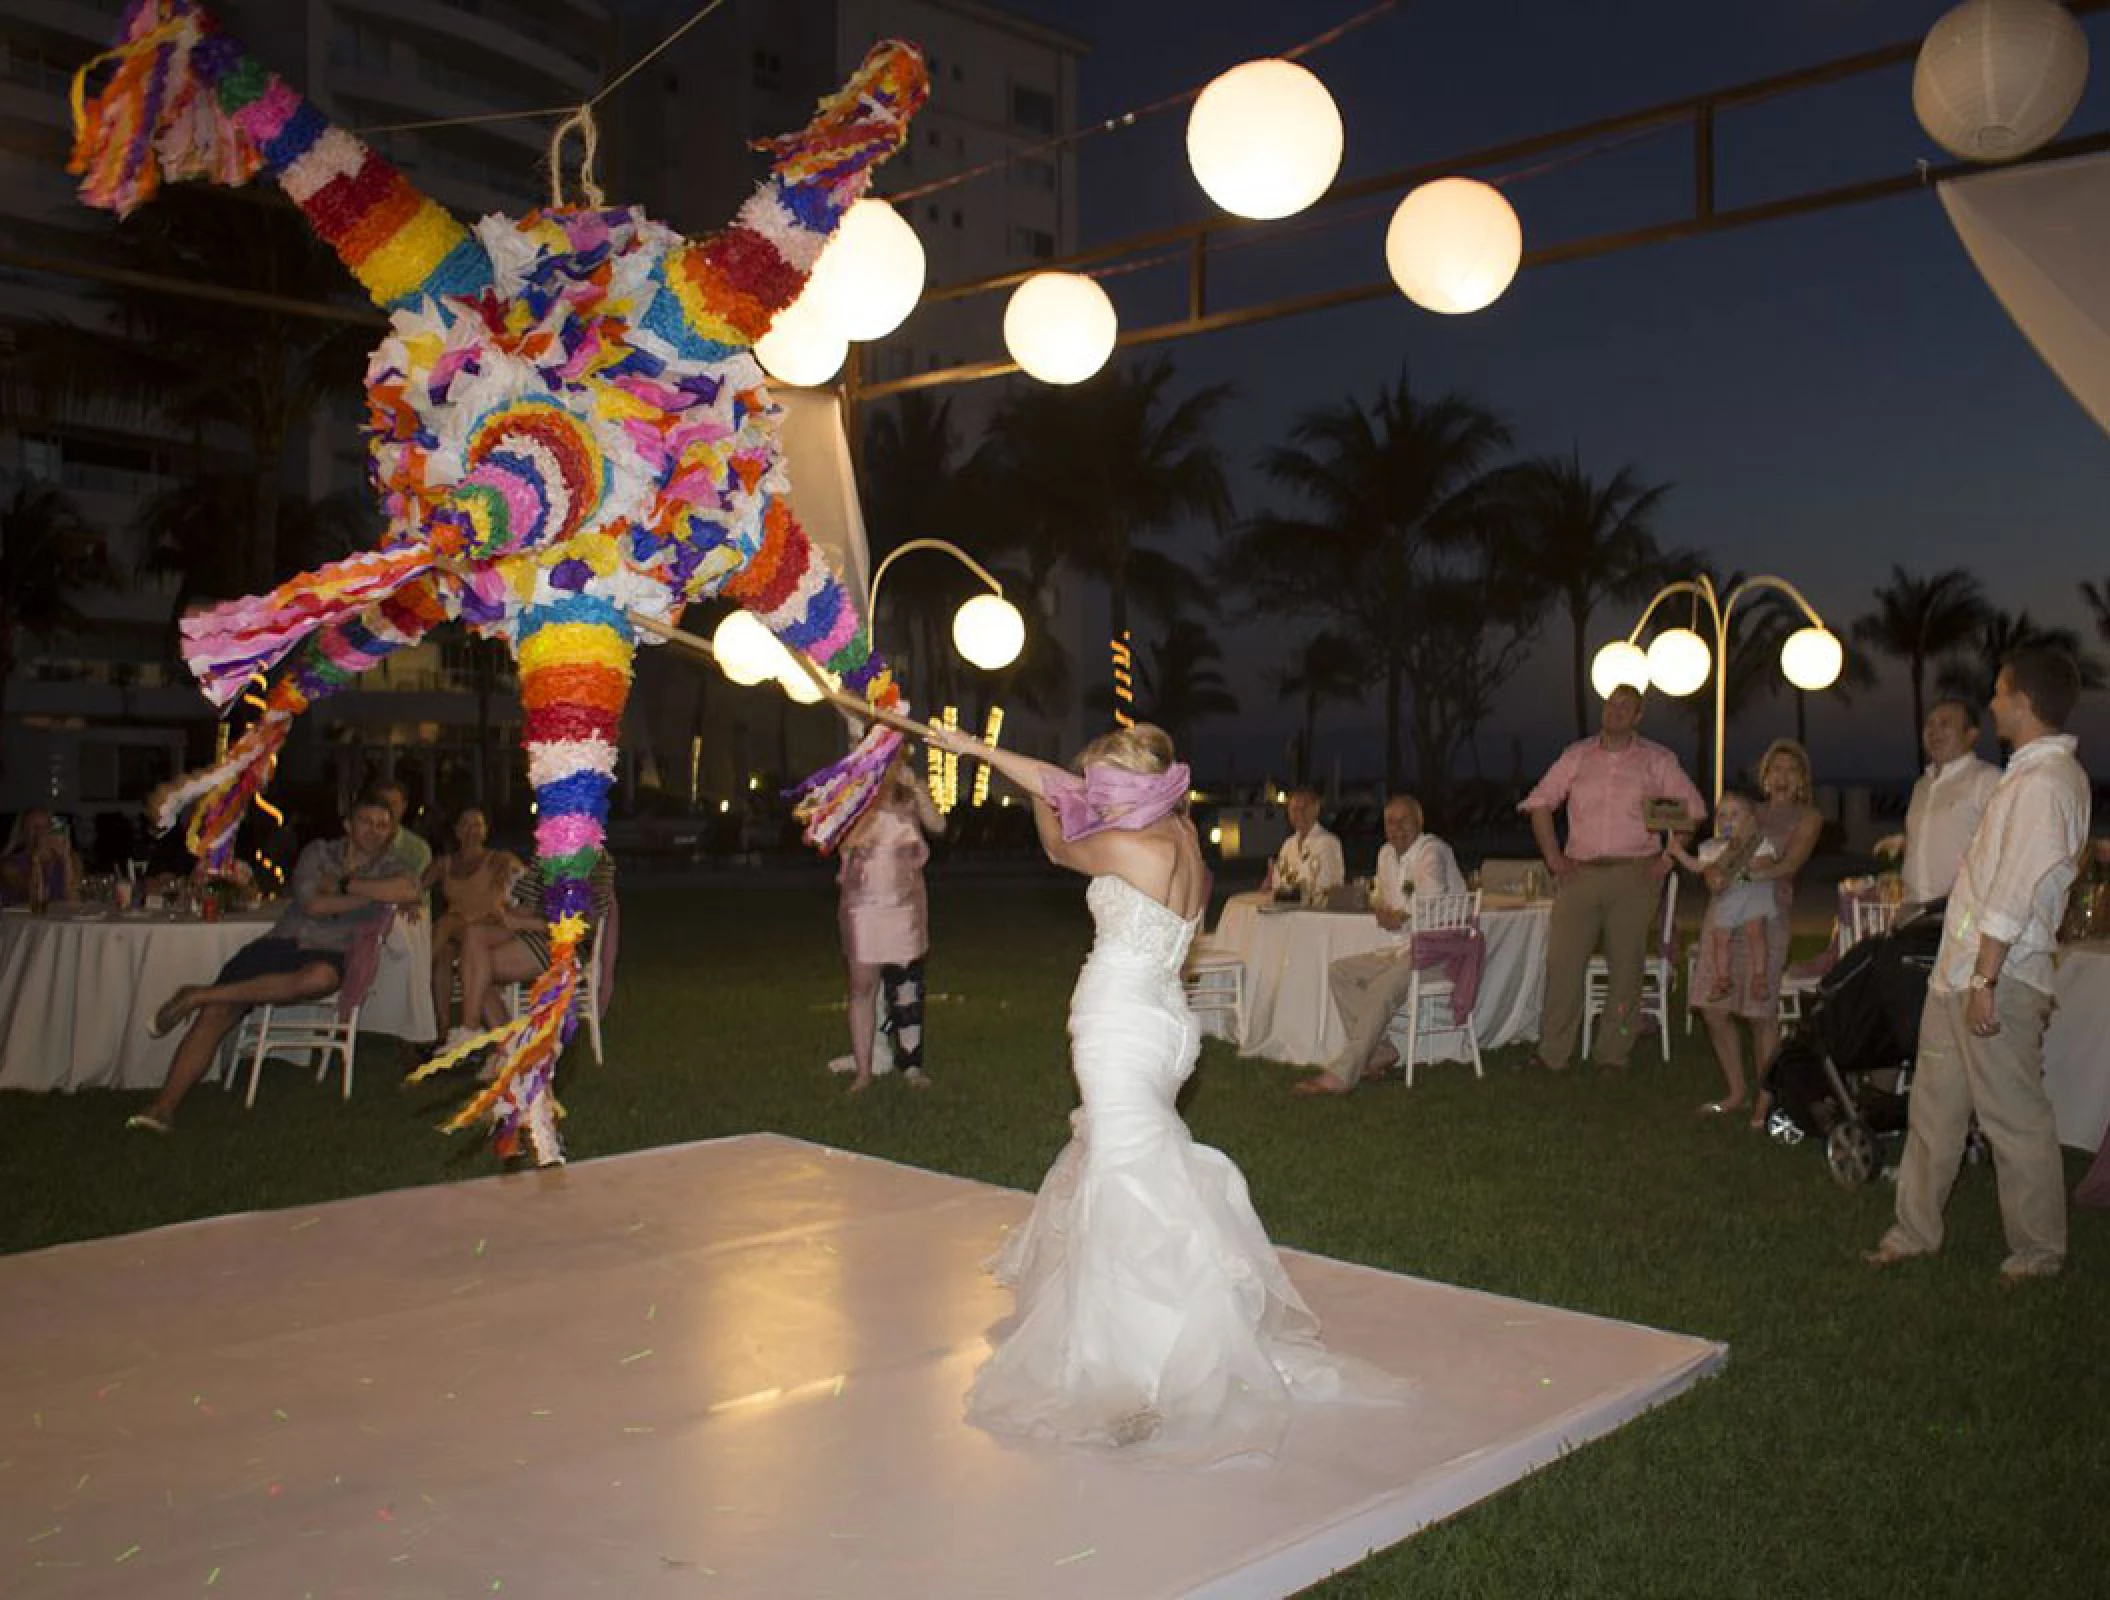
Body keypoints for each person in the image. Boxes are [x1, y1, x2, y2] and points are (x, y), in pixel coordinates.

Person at [926, 718, 1408, 1460]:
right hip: (1170, 1028)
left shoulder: (1133, 845)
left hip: (1121, 1023)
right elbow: (1064, 790)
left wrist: (1008, 773)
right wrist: (980, 753)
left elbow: (1057, 841)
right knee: (1139, 1169)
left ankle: (1136, 1371)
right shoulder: (1180, 835)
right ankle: (1156, 1341)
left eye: (1101, 786)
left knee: (1125, 1185)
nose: (1092, 796)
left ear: (1125, 786)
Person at [1869, 650, 2090, 1283]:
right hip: (1958, 976)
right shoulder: (2026, 777)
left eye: (1999, 693)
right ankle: (1914, 1229)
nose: (1992, 703)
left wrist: (1986, 981)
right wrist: (1960, 975)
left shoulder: (2045, 783)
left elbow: (2016, 890)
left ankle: (2038, 1251)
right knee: (1934, 1108)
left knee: (2012, 1120)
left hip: (1999, 980)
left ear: (2024, 702)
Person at [125, 793, 425, 1133]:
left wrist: (343, 885)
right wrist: (370, 895)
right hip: (282, 941)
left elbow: (408, 890)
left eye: (383, 826)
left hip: (331, 951)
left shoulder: (393, 864)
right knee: (219, 1014)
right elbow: (311, 904)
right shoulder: (318, 852)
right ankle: (164, 1106)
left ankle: (198, 994)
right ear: (348, 825)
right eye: (366, 823)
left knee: (321, 979)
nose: (374, 831)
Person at [1520, 685, 1704, 1072]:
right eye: (1612, 703)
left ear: (1638, 716)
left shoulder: (1656, 760)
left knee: (1626, 968)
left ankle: (1613, 1053)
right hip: (1579, 874)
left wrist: (1668, 859)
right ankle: (1553, 1053)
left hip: (1635, 874)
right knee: (1563, 964)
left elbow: (1694, 810)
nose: (1616, 710)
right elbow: (1539, 803)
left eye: (1626, 706)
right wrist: (1553, 858)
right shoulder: (1577, 756)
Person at [1294, 794, 1467, 1095]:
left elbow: (1432, 900)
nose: (1397, 828)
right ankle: (1380, 1052)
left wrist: (1401, 917)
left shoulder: (1432, 852)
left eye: (1404, 821)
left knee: (1381, 987)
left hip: (1441, 951)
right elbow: (1381, 894)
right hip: (1404, 948)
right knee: (1341, 972)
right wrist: (1380, 907)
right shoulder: (1386, 854)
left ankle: (1342, 1074)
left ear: (1420, 821)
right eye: (1390, 822)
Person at [1692, 740, 1824, 1124]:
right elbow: (1722, 851)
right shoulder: (1747, 812)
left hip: (1767, 919)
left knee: (1758, 1012)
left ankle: (1766, 1101)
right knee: (1713, 1007)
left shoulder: (1808, 817)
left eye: (1790, 770)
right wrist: (1713, 873)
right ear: (1764, 778)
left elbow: (1789, 863)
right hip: (1724, 915)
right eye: (1774, 769)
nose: (1781, 776)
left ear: (1801, 779)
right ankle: (1735, 1092)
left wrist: (1745, 874)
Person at [832, 754, 944, 1092]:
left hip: (905, 905)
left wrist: (919, 790)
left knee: (907, 984)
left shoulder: (911, 794)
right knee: (862, 988)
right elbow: (842, 842)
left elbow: (938, 826)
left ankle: (911, 1064)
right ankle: (864, 1070)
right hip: (863, 905)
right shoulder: (853, 795)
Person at [450, 850, 618, 1064]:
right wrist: (505, 915)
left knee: (474, 968)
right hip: (531, 931)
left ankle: (495, 1040)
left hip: (564, 945)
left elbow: (586, 926)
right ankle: (493, 1040)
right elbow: (527, 905)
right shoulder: (546, 851)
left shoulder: (597, 859)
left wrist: (524, 923)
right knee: (474, 936)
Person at [1873, 698, 2000, 913]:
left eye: (1945, 724)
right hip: (1913, 911)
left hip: (1961, 914)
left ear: (1971, 735)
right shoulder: (1922, 786)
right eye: (1929, 724)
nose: (1934, 731)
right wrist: (1903, 845)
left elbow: (2003, 844)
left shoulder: (1987, 780)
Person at [1668, 790, 1780, 1008]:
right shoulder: (1712, 846)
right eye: (1722, 815)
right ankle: (1723, 978)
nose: (1727, 819)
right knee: (1720, 937)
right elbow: (1698, 866)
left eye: (1734, 814)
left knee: (1755, 931)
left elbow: (1768, 862)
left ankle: (1759, 976)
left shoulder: (1757, 842)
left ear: (1749, 820)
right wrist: (1678, 852)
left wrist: (1748, 863)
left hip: (1752, 894)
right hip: (1727, 899)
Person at [422, 806, 524, 1042]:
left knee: (447, 923)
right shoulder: (445, 864)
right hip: (456, 936)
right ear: (457, 831)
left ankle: (414, 982)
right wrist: (409, 903)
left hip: (488, 931)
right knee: (444, 953)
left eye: (477, 825)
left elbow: (527, 884)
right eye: (465, 825)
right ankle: (442, 1031)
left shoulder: (499, 860)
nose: (471, 831)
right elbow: (416, 889)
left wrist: (509, 889)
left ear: (486, 831)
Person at [1262, 786, 1344, 899]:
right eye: (1294, 809)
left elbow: (1322, 884)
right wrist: (1271, 882)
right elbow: (1278, 882)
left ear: (1316, 809)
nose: (1299, 813)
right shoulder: (1288, 844)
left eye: (1304, 808)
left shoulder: (1328, 842)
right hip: (1290, 907)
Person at [0, 808, 80, 907]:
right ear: (23, 834)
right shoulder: (9, 865)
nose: (42, 832)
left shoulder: (70, 859)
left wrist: (67, 860)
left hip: (59, 920)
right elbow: (32, 899)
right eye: (35, 827)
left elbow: (75, 901)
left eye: (47, 827)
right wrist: (36, 860)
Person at [369, 778, 434, 878]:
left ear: (404, 806)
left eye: (393, 804)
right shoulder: (357, 841)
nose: (388, 809)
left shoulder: (418, 850)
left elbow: (415, 890)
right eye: (382, 803)